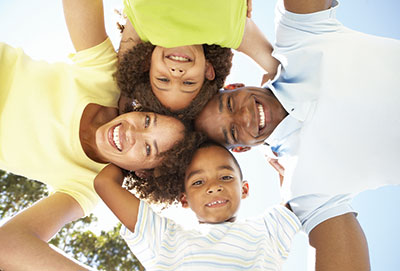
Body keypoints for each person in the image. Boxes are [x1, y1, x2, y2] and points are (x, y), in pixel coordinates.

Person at [195, 0, 400, 269]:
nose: (245, 117)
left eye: (230, 104)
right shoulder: (302, 188)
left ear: (235, 86)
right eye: (232, 132)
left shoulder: (297, 39)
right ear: (242, 148)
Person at [0, 0, 199, 270]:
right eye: (147, 121)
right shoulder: (105, 78)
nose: (132, 132)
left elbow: (9, 246)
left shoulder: (84, 186)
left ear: (142, 173)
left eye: (147, 149)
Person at [94, 140, 301, 270]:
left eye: (226, 177)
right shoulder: (165, 236)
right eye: (198, 182)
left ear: (244, 189)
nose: (213, 187)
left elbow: (294, 189)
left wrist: (277, 154)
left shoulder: (267, 231)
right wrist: (144, 152)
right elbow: (105, 183)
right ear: (184, 200)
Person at [116, 0, 279, 121]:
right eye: (188, 83)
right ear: (207, 70)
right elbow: (279, 68)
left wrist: (126, 101)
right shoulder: (228, 30)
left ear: (147, 65)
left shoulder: (143, 25)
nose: (176, 74)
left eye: (163, 79)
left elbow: (122, 85)